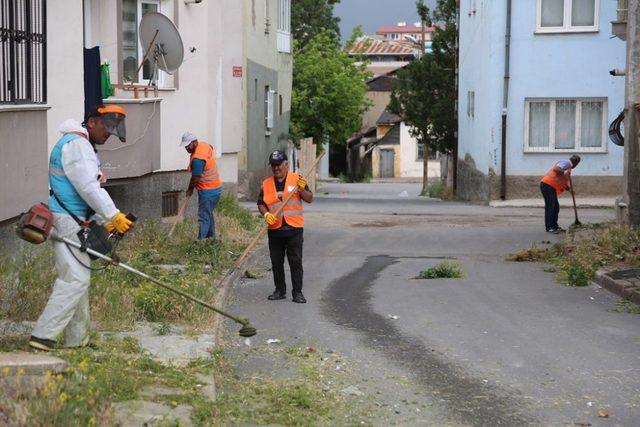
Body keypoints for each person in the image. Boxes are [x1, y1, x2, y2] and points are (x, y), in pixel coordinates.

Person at [30, 105, 135, 351]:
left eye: (113, 128)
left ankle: (77, 340)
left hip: (73, 217)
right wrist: (113, 214)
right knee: (76, 279)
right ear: (91, 121)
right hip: (69, 219)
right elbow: (88, 187)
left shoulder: (75, 143)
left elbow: (82, 187)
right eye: (106, 125)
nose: (109, 132)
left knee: (76, 276)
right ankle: (42, 335)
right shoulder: (78, 145)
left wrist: (103, 218)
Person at [258, 150, 313, 303]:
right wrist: (266, 214)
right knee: (276, 262)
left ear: (286, 164)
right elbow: (261, 204)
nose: (276, 168)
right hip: (275, 229)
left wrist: (302, 189)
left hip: (294, 229)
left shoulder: (297, 179)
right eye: (273, 165)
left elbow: (309, 199)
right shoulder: (266, 184)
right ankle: (280, 290)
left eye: (279, 165)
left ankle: (297, 293)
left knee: (295, 262)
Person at [180, 132, 223, 239]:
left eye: (188, 145)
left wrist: (190, 190)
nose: (186, 148)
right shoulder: (204, 145)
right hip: (216, 188)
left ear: (195, 142)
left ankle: (201, 242)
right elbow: (211, 148)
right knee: (208, 214)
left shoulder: (198, 160)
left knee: (204, 217)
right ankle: (211, 239)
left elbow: (195, 178)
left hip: (208, 191)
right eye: (185, 146)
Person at [540, 155, 581, 233]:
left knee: (555, 207)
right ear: (576, 163)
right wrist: (564, 172)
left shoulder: (568, 168)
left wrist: (570, 190)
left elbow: (562, 182)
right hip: (547, 185)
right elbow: (556, 169)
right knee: (551, 207)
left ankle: (555, 226)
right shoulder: (567, 163)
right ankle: (550, 227)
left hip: (550, 186)